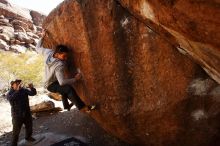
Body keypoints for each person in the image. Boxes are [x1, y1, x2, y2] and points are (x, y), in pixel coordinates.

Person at [36, 30, 95, 112]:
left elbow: (37, 48)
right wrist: (75, 79)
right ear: (58, 53)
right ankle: (83, 108)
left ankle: (66, 106)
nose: (66, 58)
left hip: (48, 82)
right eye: (64, 56)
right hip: (50, 85)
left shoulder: (48, 52)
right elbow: (62, 82)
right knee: (68, 88)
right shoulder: (59, 65)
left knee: (63, 90)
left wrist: (42, 36)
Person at [7, 79, 37, 146]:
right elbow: (11, 99)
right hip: (17, 115)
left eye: (19, 83)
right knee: (16, 131)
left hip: (26, 113)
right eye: (16, 83)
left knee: (29, 126)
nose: (19, 84)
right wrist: (17, 91)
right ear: (12, 85)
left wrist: (32, 88)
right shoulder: (10, 93)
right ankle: (14, 143)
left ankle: (28, 137)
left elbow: (33, 93)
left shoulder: (24, 90)